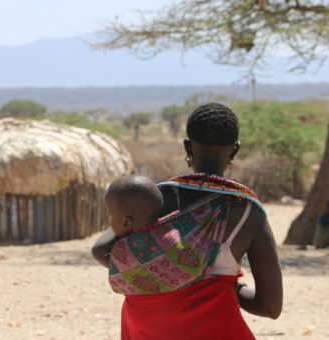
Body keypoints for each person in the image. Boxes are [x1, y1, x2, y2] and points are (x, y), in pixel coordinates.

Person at [92, 103, 283, 339]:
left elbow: (103, 251)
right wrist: (232, 286)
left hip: (145, 329)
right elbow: (270, 307)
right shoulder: (248, 212)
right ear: (234, 151)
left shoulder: (152, 199)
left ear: (187, 147)